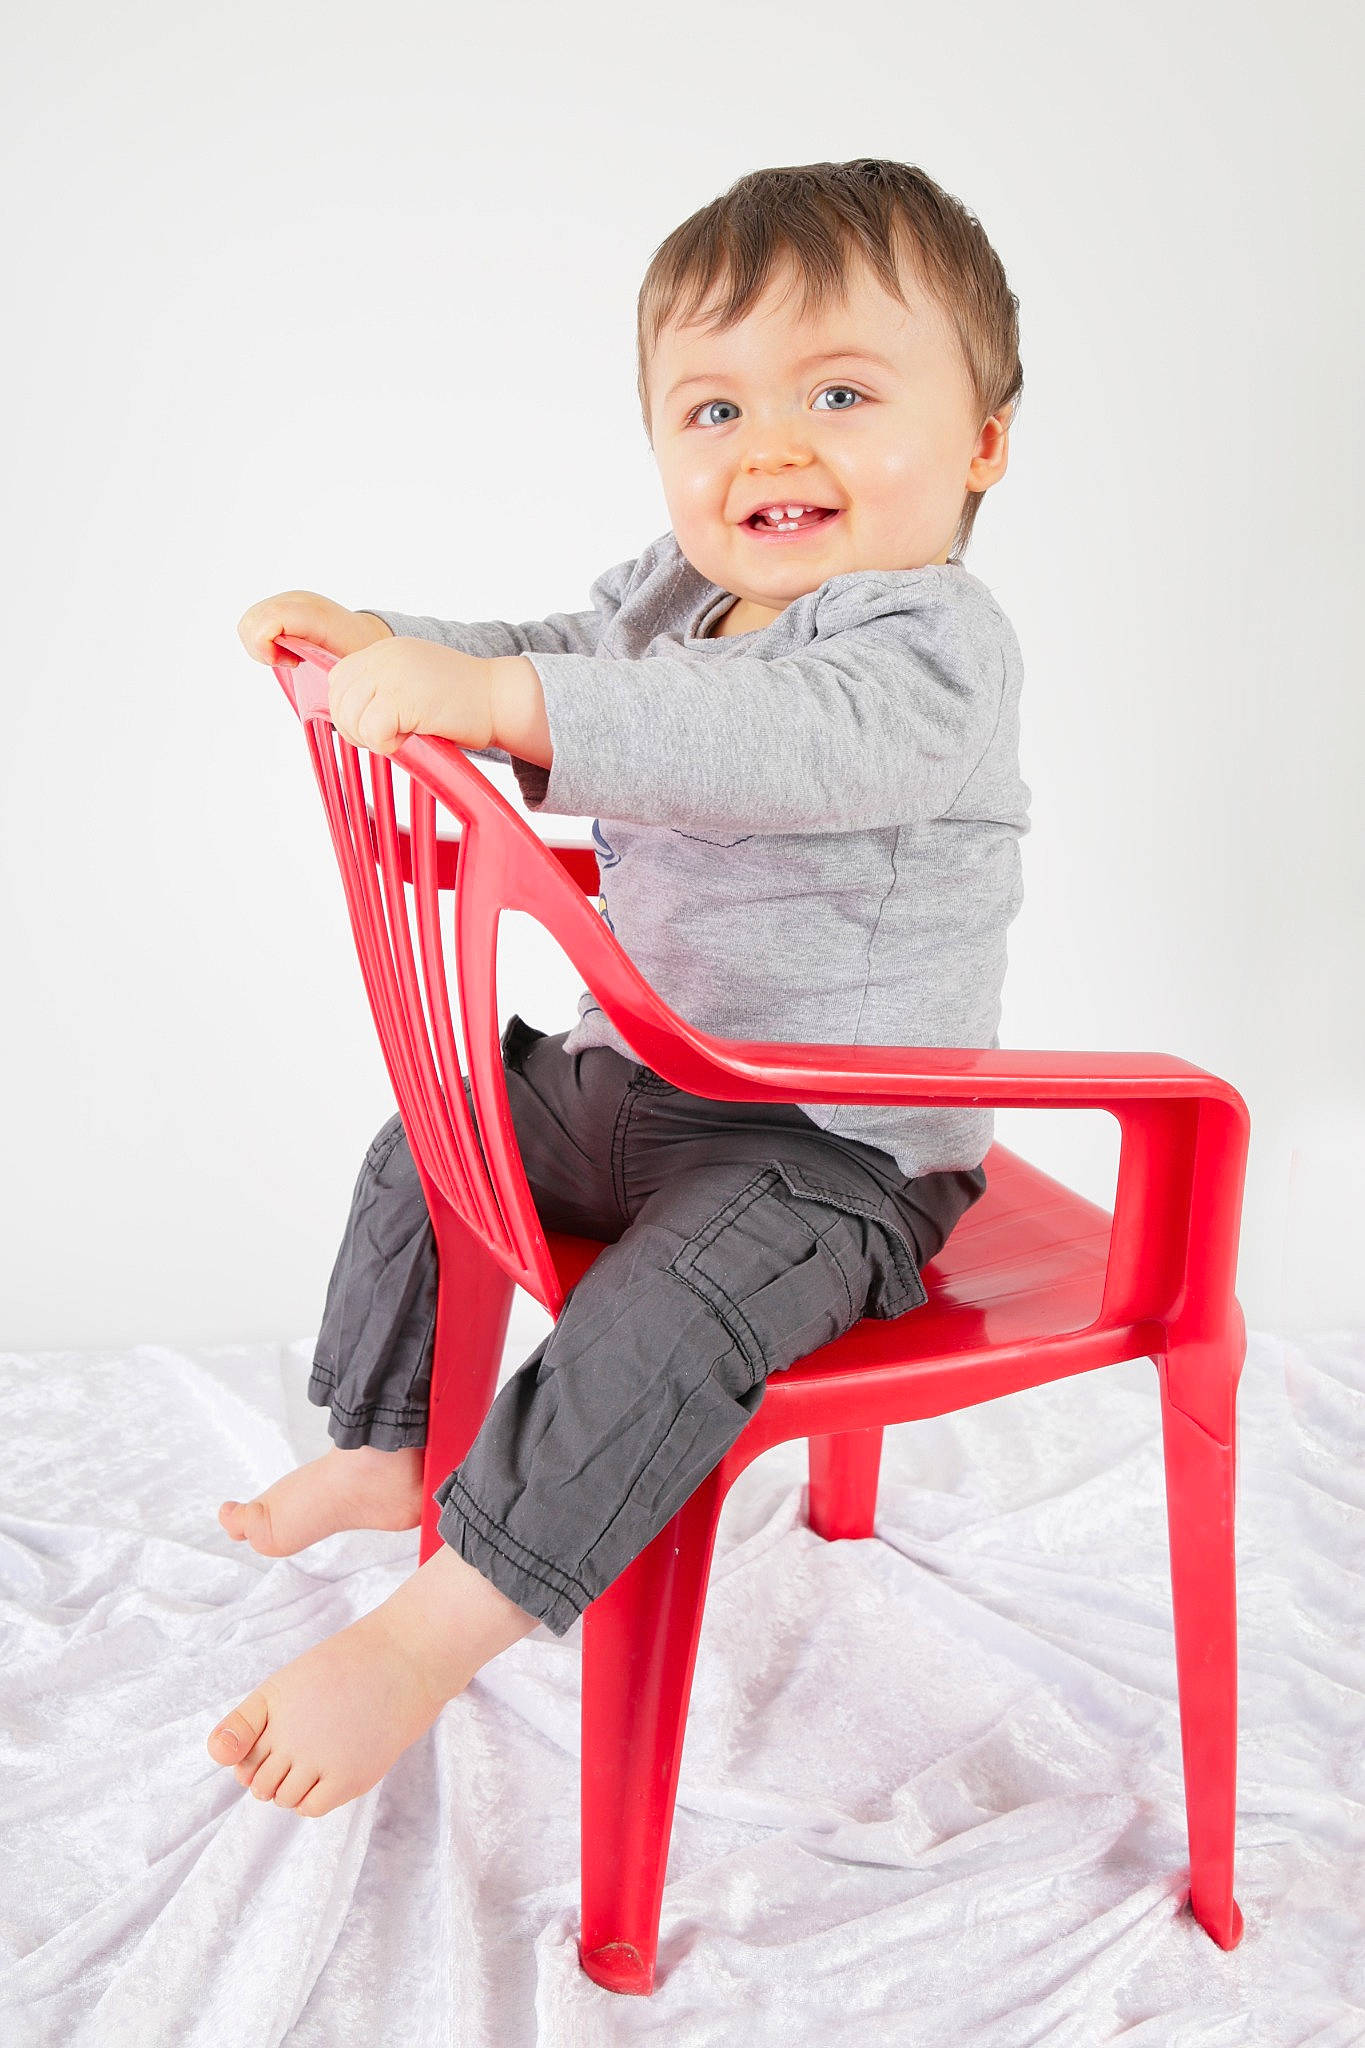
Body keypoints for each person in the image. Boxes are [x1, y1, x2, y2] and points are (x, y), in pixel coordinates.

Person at [209, 157, 1030, 1818]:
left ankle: (438, 1630)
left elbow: (767, 742)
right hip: (637, 1078)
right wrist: (384, 638)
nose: (769, 446)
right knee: (439, 1134)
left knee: (663, 1314)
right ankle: (385, 1444)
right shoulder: (678, 594)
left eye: (839, 394)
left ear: (979, 446)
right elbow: (555, 651)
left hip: (826, 1149)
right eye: (713, 409)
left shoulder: (929, 647)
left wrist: (509, 705)